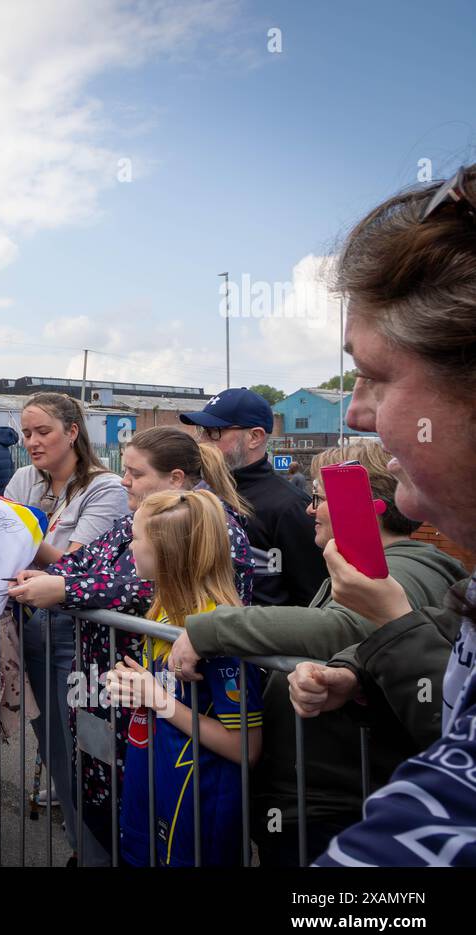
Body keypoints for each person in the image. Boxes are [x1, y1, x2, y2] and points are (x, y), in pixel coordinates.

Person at [265, 166, 476, 867]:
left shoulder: (408, 567)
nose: (353, 412)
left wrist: (204, 629)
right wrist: (362, 668)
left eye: (376, 376)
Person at [168, 439, 465, 864]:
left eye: (320, 498)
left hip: (334, 803)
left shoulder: (402, 569)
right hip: (325, 793)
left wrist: (212, 627)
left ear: (368, 506)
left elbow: (344, 627)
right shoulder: (372, 566)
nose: (309, 509)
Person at [8, 426, 253, 863]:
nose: (124, 482)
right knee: (111, 798)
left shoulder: (211, 525)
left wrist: (64, 590)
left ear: (176, 478)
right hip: (112, 691)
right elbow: (83, 562)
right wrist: (51, 576)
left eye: (135, 474)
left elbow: (139, 585)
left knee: (167, 819)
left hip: (163, 706)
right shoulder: (133, 519)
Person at [104, 489, 264, 866]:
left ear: (167, 553)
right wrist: (140, 686)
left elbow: (246, 747)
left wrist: (159, 700)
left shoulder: (220, 632)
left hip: (199, 802)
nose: (129, 547)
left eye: (137, 538)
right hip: (154, 785)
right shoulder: (164, 610)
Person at [2, 391, 129, 863]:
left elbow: (79, 568)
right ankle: (82, 850)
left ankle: (102, 854)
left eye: (43, 432)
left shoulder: (106, 487)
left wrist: (21, 536)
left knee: (89, 758)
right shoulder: (23, 479)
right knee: (56, 754)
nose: (32, 442)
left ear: (73, 432)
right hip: (32, 631)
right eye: (27, 433)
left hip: (78, 640)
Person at [181, 387, 325, 608]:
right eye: (201, 431)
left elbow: (312, 600)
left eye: (214, 432)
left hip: (263, 639)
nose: (201, 441)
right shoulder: (201, 493)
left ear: (255, 437)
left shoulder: (290, 506)